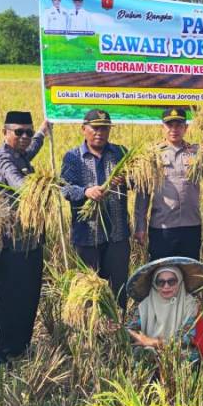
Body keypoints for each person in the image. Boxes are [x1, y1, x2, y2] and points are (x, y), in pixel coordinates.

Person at [0, 110, 51, 364]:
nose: (24, 137)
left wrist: (43, 130)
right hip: (10, 241)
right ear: (5, 133)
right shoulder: (3, 159)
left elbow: (32, 147)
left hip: (32, 240)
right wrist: (44, 186)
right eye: (18, 132)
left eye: (28, 131)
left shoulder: (21, 153)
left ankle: (20, 347)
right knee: (10, 297)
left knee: (29, 294)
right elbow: (20, 185)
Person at [61, 109, 132, 309]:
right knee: (89, 292)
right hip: (87, 236)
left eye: (105, 128)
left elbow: (137, 180)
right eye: (95, 128)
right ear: (84, 129)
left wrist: (126, 179)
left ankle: (119, 331)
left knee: (118, 289)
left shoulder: (120, 152)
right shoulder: (72, 157)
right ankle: (91, 334)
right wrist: (86, 192)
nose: (100, 132)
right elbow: (65, 189)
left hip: (117, 234)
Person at [133, 108, 203, 261]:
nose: (174, 129)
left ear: (186, 128)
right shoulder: (152, 154)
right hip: (162, 227)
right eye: (169, 125)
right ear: (162, 127)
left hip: (191, 225)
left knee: (189, 272)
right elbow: (142, 193)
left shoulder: (197, 152)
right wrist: (140, 226)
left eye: (179, 125)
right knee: (161, 272)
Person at [124, 258, 203, 364]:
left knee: (189, 355)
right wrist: (118, 329)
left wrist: (154, 342)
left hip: (176, 351)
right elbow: (132, 328)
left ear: (180, 282)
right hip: (151, 350)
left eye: (171, 281)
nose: (166, 286)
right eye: (161, 282)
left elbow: (186, 339)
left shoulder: (189, 305)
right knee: (139, 352)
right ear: (155, 284)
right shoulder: (145, 305)